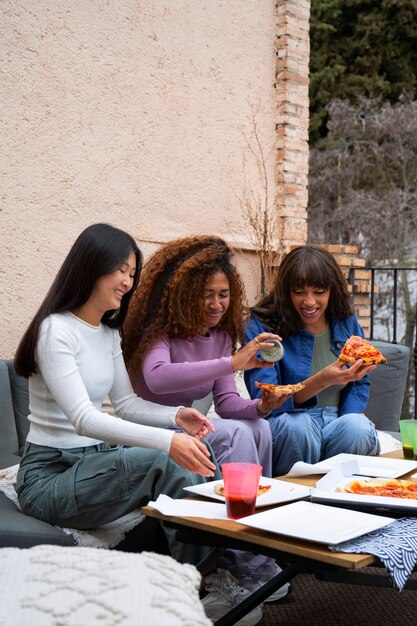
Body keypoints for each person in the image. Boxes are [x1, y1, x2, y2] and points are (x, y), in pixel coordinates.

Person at [13, 223, 223, 569]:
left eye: (132, 273)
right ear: (92, 266)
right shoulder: (55, 330)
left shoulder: (108, 333)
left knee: (201, 451)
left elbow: (125, 405)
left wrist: (176, 417)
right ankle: (199, 579)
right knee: (167, 457)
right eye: (120, 270)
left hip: (93, 464)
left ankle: (218, 564)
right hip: (50, 476)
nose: (128, 281)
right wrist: (167, 443)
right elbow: (83, 419)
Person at [123, 234, 293, 612]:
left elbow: (228, 403)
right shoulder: (158, 332)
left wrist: (262, 405)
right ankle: (246, 567)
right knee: (233, 433)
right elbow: (158, 377)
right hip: (147, 433)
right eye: (206, 295)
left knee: (256, 428)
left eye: (223, 294)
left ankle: (253, 551)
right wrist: (234, 363)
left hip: (189, 430)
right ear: (183, 293)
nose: (217, 304)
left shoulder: (218, 336)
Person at [244, 244, 380, 477]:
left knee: (356, 427)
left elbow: (360, 384)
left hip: (338, 421)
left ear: (331, 290)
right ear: (286, 290)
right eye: (299, 292)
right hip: (289, 423)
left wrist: (352, 413)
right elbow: (265, 397)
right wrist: (321, 380)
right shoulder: (262, 327)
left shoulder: (347, 323)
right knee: (299, 427)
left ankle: (341, 502)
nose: (309, 302)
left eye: (319, 292)